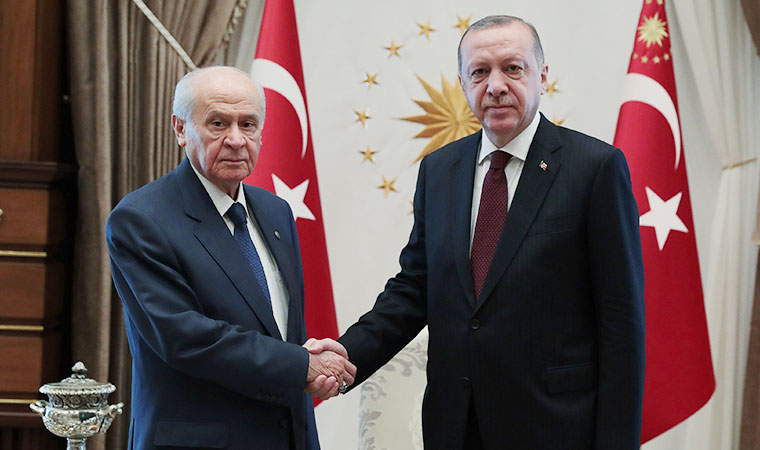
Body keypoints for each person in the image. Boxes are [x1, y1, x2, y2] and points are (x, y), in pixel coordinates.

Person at [311, 15, 645, 450]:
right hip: (456, 425)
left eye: (513, 68)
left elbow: (621, 323)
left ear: (542, 75)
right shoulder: (439, 169)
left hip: (556, 428)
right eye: (480, 72)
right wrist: (345, 356)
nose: (496, 86)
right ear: (463, 83)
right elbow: (415, 288)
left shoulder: (595, 169)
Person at [106, 66, 355, 450]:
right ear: (180, 129)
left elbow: (279, 330)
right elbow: (185, 338)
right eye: (218, 123)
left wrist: (306, 361)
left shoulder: (276, 212)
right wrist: (301, 365)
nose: (237, 140)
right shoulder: (141, 219)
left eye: (248, 124)